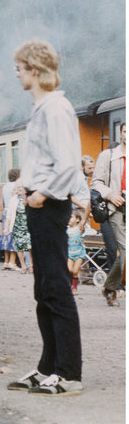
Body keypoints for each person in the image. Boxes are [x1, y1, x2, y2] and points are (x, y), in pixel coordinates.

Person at [5, 40, 82, 396]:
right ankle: (47, 367)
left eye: (19, 68)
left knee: (56, 288)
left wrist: (42, 193)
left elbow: (67, 163)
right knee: (44, 289)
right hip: (39, 205)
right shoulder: (42, 108)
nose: (17, 73)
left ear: (33, 70)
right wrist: (25, 184)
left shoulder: (56, 108)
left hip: (49, 206)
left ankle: (69, 373)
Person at [92, 121, 126, 307]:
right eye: (125, 131)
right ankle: (115, 287)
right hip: (117, 209)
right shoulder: (108, 156)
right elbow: (96, 182)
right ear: (120, 134)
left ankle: (109, 287)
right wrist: (110, 194)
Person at [0, 168, 23, 270]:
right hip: (14, 213)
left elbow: (3, 202)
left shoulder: (5, 186)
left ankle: (6, 261)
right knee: (14, 237)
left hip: (6, 212)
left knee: (6, 237)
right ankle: (12, 262)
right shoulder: (17, 186)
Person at [66, 211, 84, 293]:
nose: (69, 219)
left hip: (79, 252)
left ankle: (74, 287)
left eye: (71, 217)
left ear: (77, 219)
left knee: (75, 271)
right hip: (69, 253)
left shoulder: (79, 228)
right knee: (69, 270)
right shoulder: (65, 229)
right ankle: (70, 285)